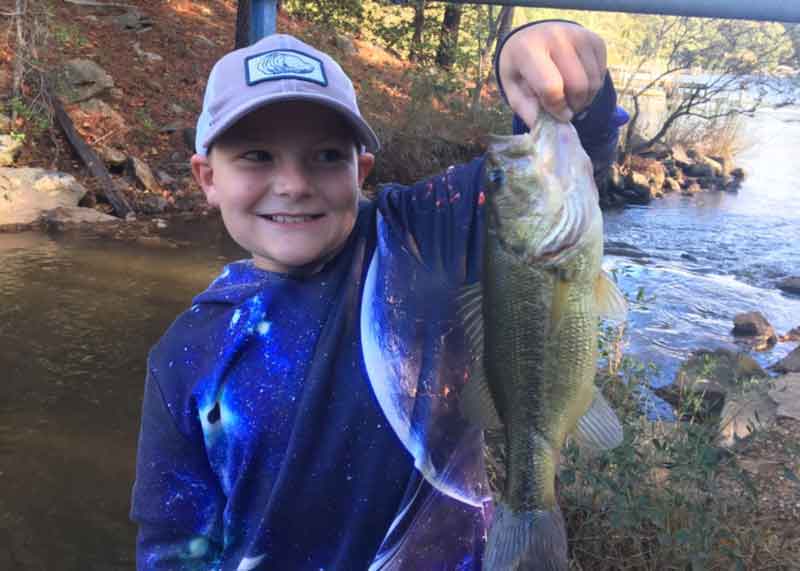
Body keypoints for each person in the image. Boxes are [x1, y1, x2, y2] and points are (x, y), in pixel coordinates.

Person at [130, 19, 623, 571]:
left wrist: (539, 57)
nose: (293, 183)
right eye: (257, 156)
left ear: (361, 169)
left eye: (325, 156)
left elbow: (548, 171)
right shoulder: (183, 355)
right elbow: (175, 541)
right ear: (207, 178)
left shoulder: (416, 234)